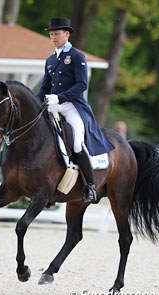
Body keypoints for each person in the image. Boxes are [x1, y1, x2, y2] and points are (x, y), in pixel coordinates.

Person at [37, 18, 114, 203]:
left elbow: (82, 85)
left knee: (78, 143)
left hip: (72, 106)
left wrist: (60, 97)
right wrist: (36, 102)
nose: (53, 37)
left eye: (57, 34)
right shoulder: (50, 60)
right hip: (53, 104)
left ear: (67, 34)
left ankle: (90, 186)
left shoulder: (76, 56)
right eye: (51, 34)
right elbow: (44, 87)